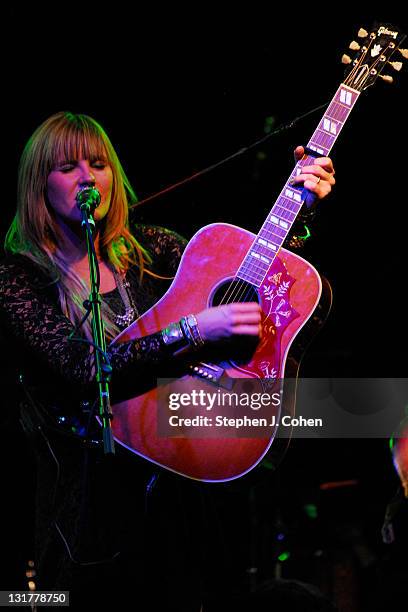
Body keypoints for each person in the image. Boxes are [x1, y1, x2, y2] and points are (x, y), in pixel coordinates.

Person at [0, 111, 335, 610]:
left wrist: (300, 212)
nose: (88, 177)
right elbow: (83, 369)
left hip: (184, 489)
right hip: (88, 510)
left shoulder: (153, 250)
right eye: (67, 167)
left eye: (98, 163)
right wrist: (193, 329)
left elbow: (253, 287)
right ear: (38, 184)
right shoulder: (18, 277)